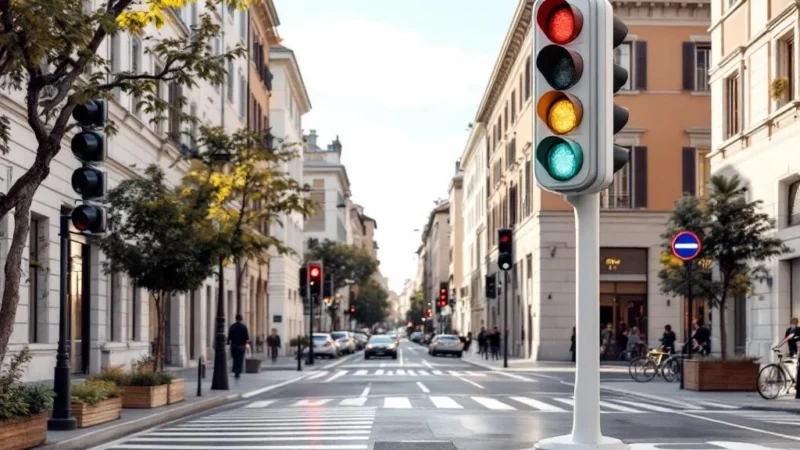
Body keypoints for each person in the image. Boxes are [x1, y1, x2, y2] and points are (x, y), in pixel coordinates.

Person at [227, 314, 250, 379]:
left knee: (235, 359)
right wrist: (246, 344)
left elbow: (229, 337)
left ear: (235, 318)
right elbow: (247, 337)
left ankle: (235, 370)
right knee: (240, 359)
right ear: (241, 319)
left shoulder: (232, 326)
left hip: (234, 346)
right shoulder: (244, 327)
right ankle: (238, 372)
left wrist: (228, 343)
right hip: (241, 346)